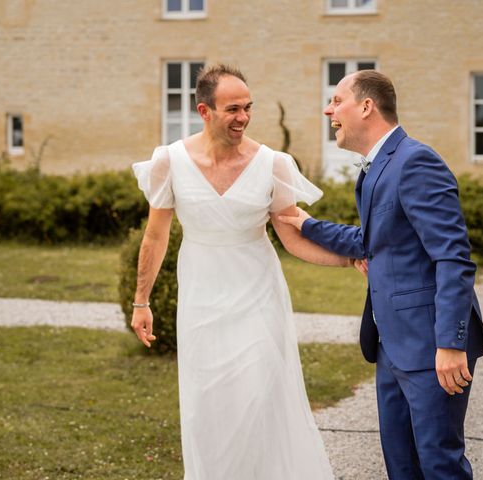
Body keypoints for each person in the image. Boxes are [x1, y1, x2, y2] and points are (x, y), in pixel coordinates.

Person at [129, 64, 348, 480]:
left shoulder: (274, 164)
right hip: (201, 297)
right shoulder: (169, 162)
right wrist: (141, 301)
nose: (243, 118)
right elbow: (155, 237)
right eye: (233, 109)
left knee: (259, 398)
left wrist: (346, 258)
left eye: (248, 108)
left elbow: (292, 236)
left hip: (258, 294)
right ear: (204, 111)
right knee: (208, 408)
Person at [278, 69, 483, 479]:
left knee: (439, 465)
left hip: (431, 347)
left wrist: (449, 344)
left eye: (337, 101)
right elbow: (374, 239)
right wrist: (305, 224)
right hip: (391, 346)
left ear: (366, 106)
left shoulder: (416, 161)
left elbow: (453, 257)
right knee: (402, 467)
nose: (329, 110)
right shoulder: (374, 168)